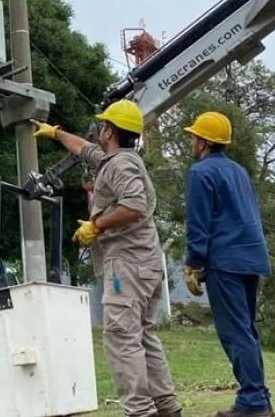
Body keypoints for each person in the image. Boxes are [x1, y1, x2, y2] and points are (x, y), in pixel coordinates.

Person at [31, 99, 183, 417]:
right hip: (145, 264)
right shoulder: (117, 160)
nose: (98, 130)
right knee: (144, 335)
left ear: (110, 131)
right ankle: (168, 408)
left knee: (121, 338)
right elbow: (86, 150)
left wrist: (96, 225)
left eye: (102, 126)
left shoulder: (120, 166)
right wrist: (56, 133)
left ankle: (140, 411)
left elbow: (134, 204)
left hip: (127, 266)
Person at [181, 111, 274, 417]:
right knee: (246, 330)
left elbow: (199, 224)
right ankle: (259, 397)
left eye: (194, 136)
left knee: (235, 333)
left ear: (204, 141)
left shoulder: (201, 173)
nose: (192, 141)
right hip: (252, 258)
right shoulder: (239, 171)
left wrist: (193, 264)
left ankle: (253, 402)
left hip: (226, 262)